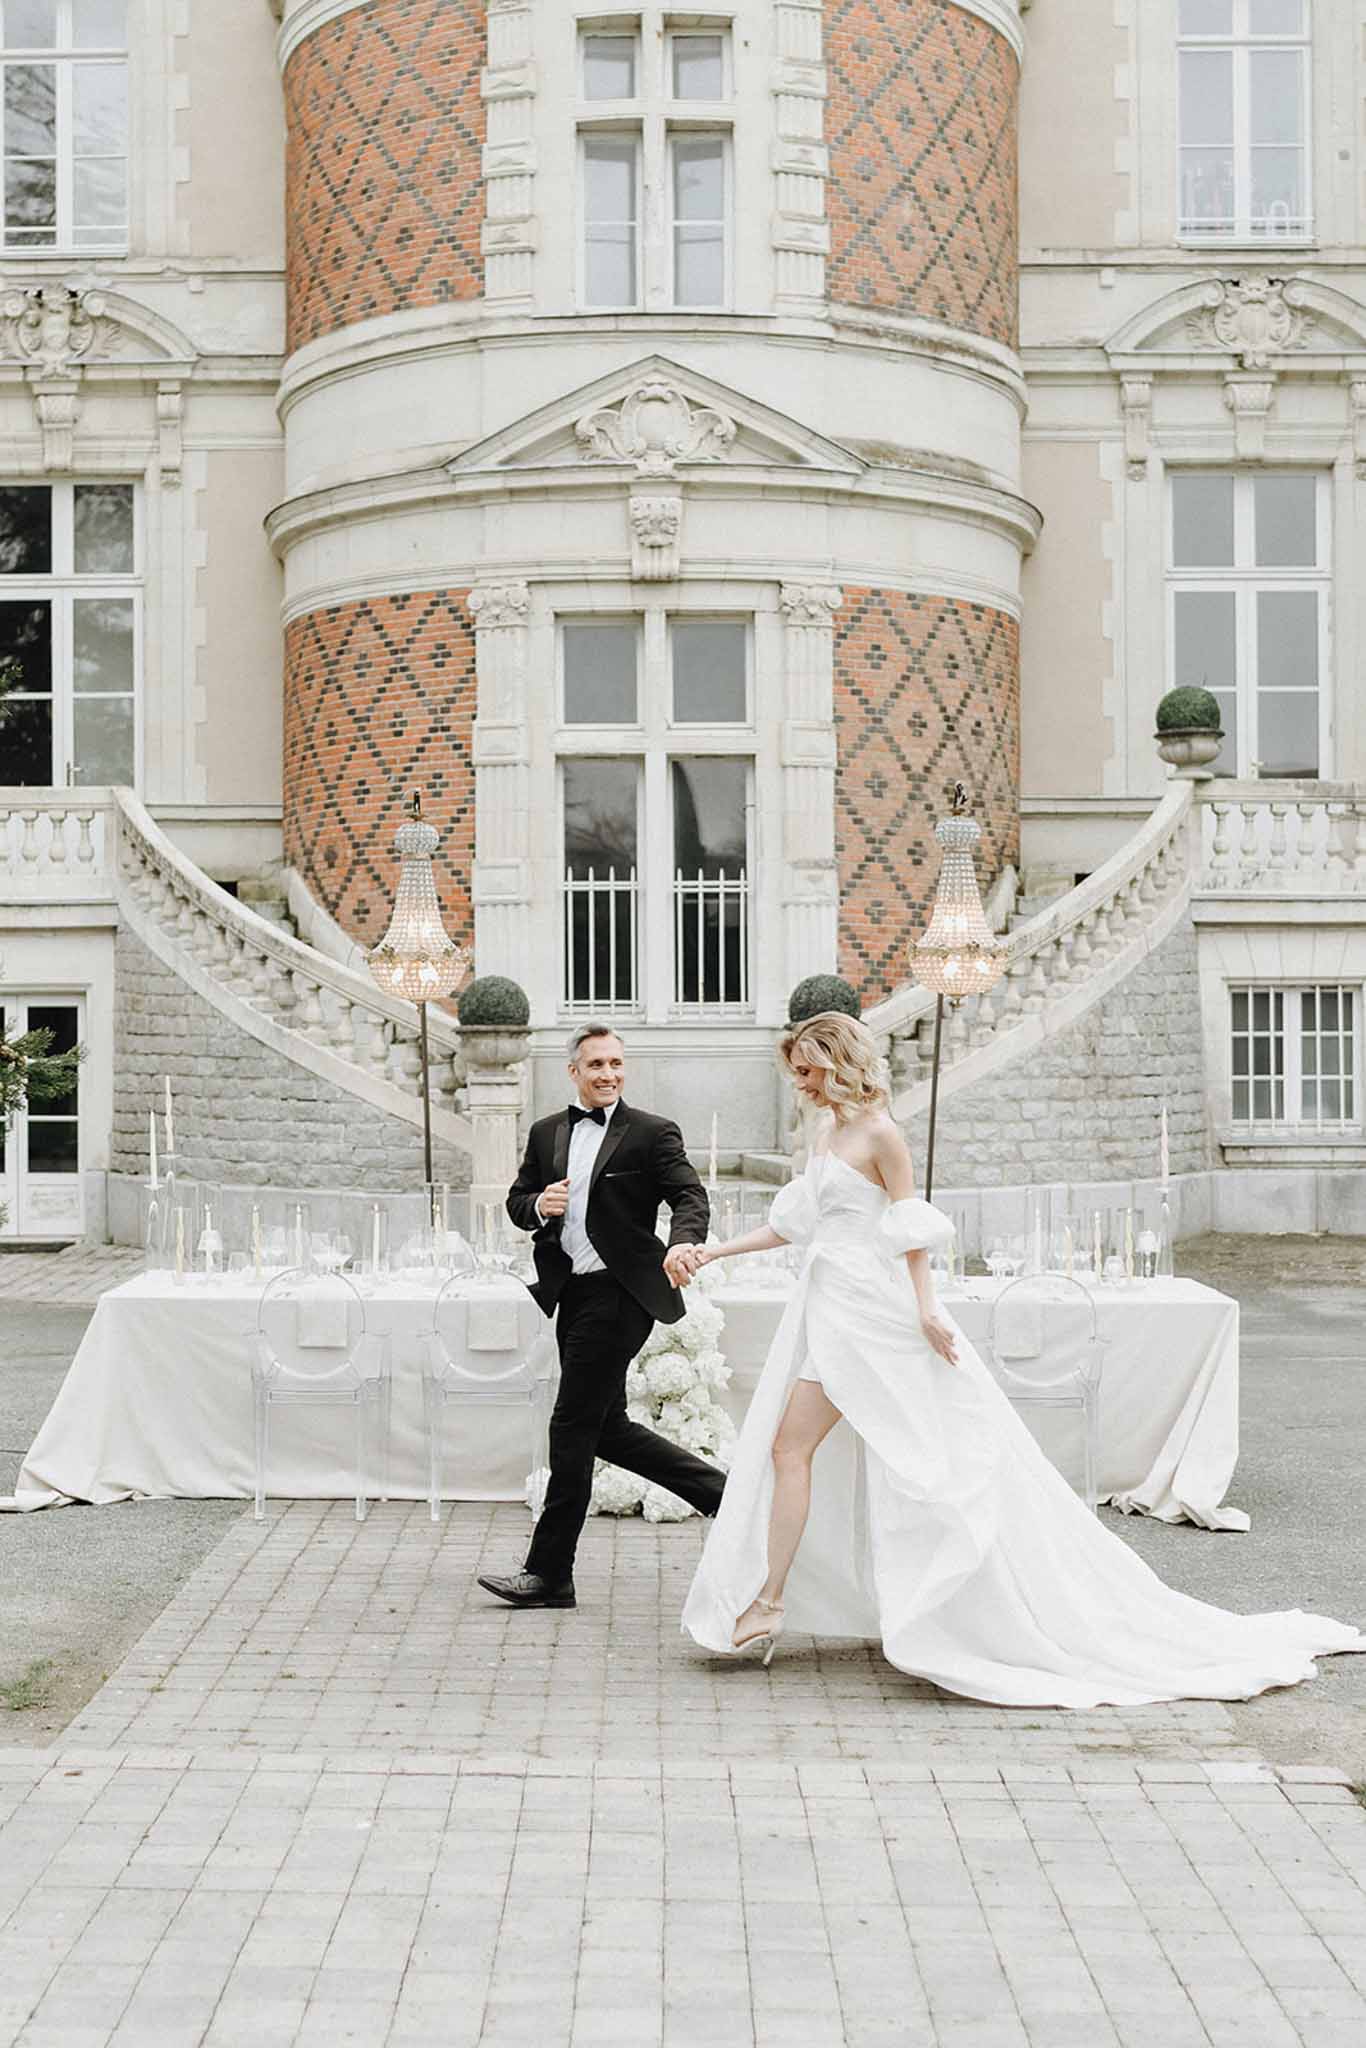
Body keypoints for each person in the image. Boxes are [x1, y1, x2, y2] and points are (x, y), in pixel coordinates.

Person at [682, 1011, 1364, 1706]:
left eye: (808, 1068)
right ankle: (772, 1599)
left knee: (922, 1461)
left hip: (874, 1315)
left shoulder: (882, 1133)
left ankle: (939, 1605)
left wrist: (925, 1309)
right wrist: (713, 1251)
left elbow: (910, 1229)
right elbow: (794, 1224)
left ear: (838, 1059)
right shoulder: (824, 1131)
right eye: (794, 1069)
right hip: (828, 1309)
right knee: (786, 1450)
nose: (799, 1082)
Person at [478, 1023, 723, 1610]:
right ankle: (727, 1496)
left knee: (569, 1428)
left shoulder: (652, 1133)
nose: (608, 1074)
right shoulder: (546, 1134)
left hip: (622, 1294)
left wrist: (682, 1243)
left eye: (616, 1063)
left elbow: (690, 1196)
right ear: (574, 1071)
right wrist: (538, 1204)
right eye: (596, 1065)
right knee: (605, 1428)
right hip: (574, 1296)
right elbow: (517, 1202)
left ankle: (548, 1572)